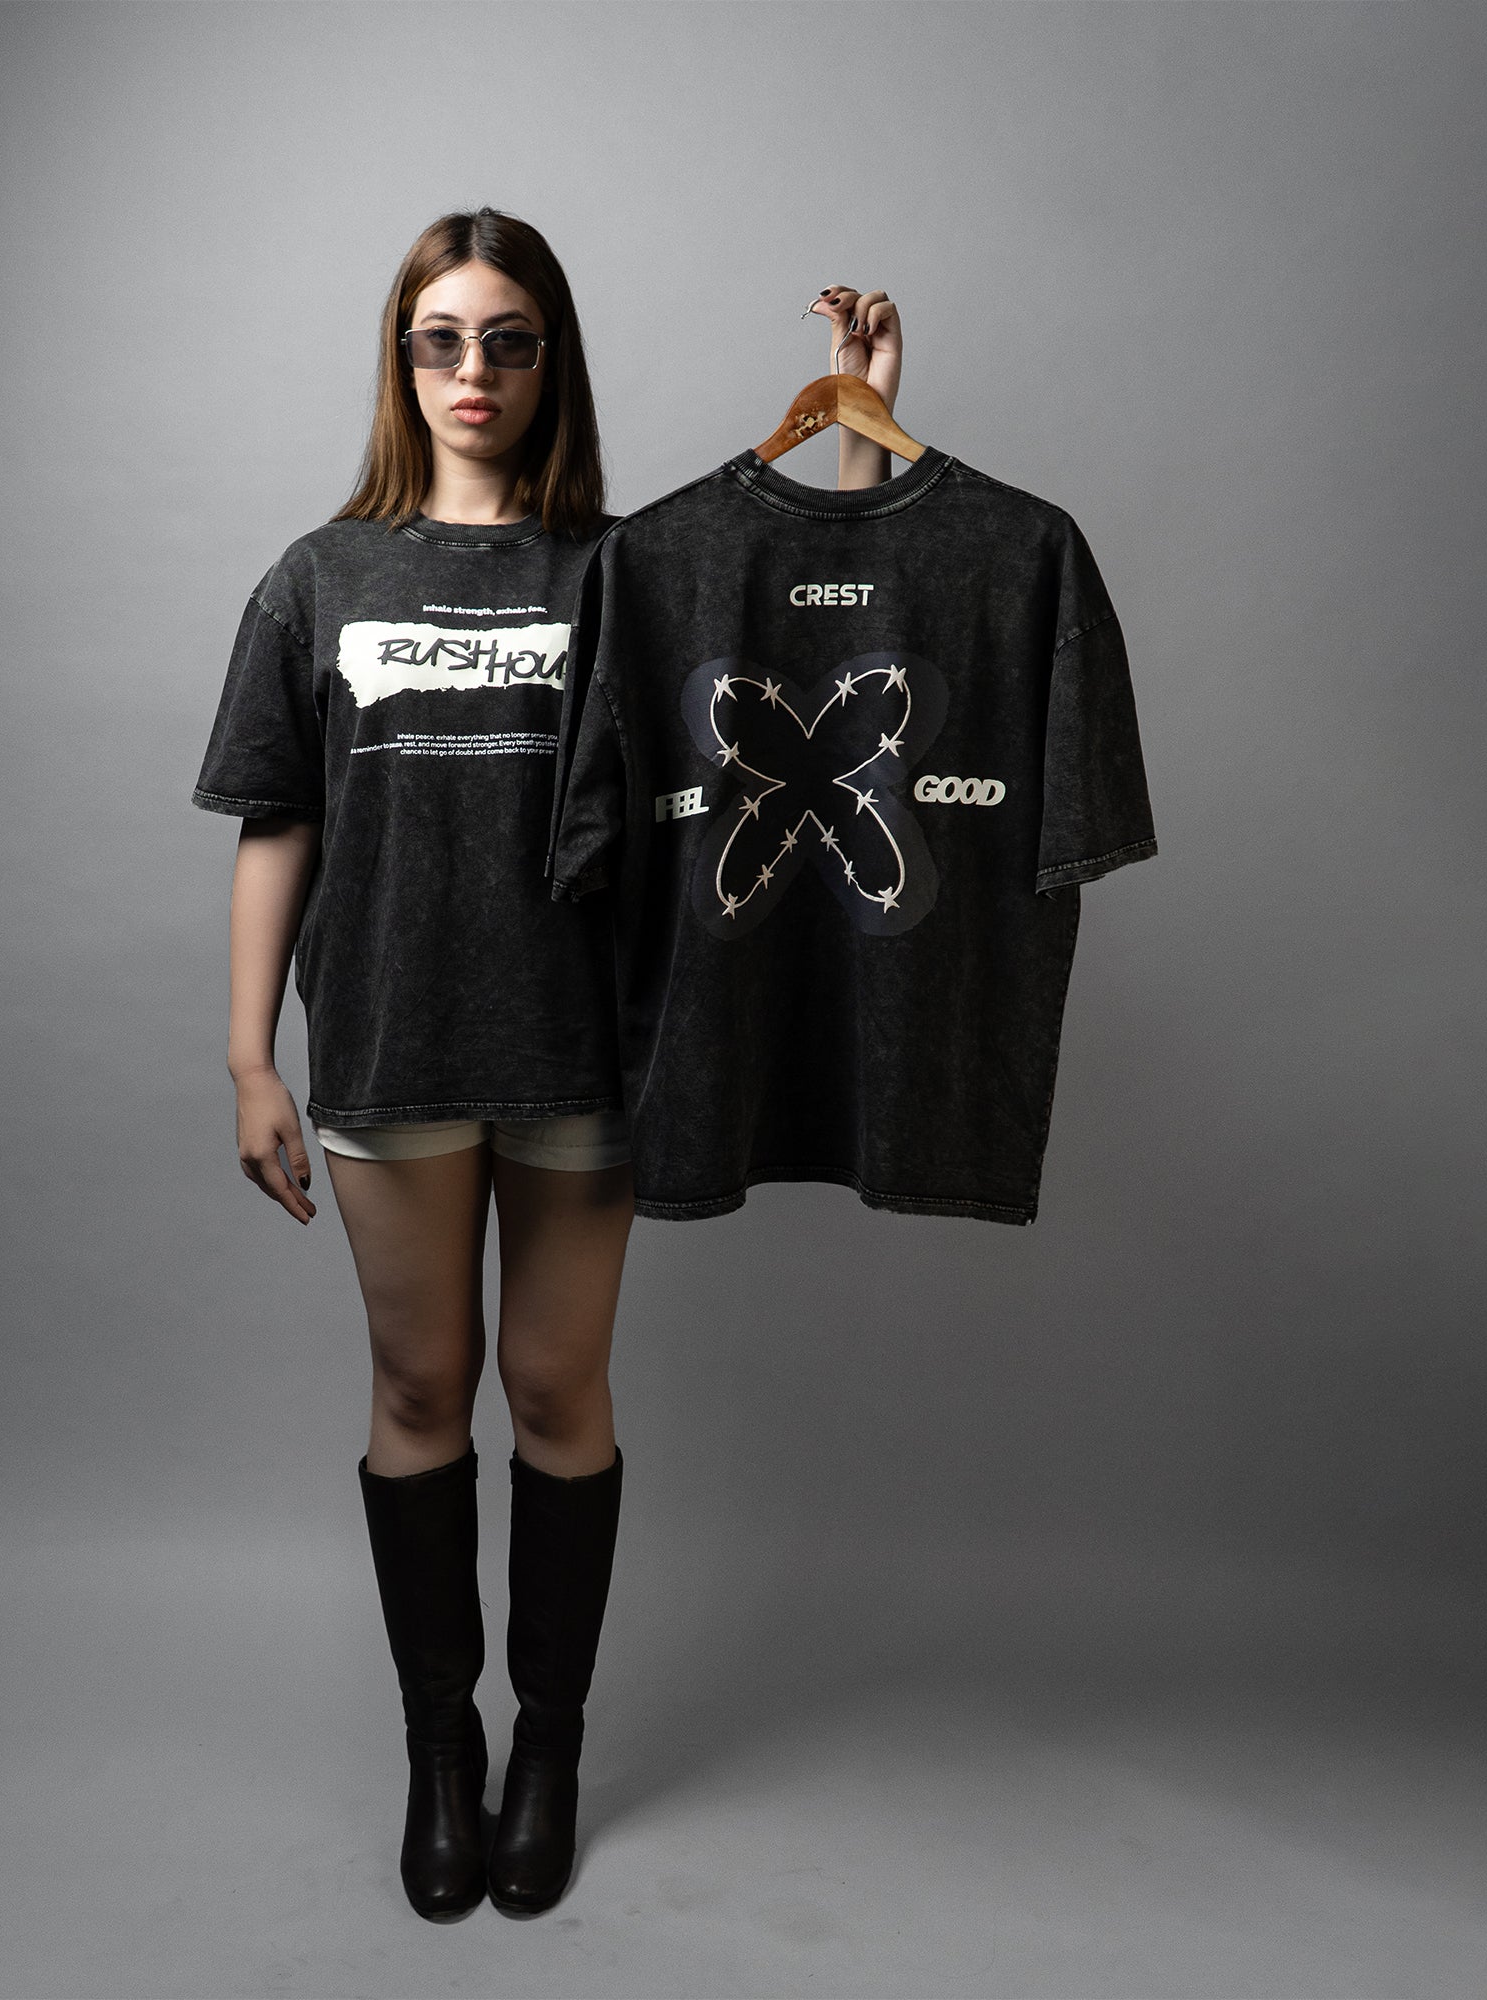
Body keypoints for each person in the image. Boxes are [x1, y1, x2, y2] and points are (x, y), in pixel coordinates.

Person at [191, 205, 903, 1920]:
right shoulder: (319, 577)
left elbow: (822, 642)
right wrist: (246, 1059)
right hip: (389, 1047)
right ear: (401, 360)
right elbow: (278, 820)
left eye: (507, 340)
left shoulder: (624, 570)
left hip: (587, 1053)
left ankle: (554, 1747)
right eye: (441, 340)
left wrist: (863, 430)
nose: (473, 372)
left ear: (549, 360)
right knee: (418, 1392)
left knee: (557, 1392)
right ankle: (445, 1753)